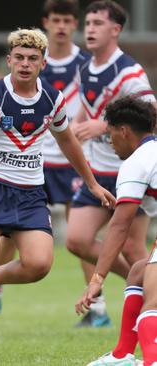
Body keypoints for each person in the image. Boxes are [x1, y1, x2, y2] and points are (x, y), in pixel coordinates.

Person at [0, 28, 115, 360]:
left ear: (42, 63)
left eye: (32, 58)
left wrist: (92, 183)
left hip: (31, 192)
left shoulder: (51, 98)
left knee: (39, 264)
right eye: (18, 58)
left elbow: (68, 142)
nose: (24, 64)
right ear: (9, 61)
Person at [0, 0, 104, 327]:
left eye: (67, 21)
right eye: (55, 20)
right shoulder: (24, 65)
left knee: (79, 233)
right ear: (46, 23)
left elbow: (95, 101)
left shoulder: (85, 63)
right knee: (7, 233)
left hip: (70, 157)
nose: (61, 26)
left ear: (73, 25)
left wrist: (86, 125)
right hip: (30, 160)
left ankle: (96, 307)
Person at [65, 0, 155, 329]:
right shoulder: (86, 68)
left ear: (115, 30)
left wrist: (101, 126)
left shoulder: (129, 72)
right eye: (87, 23)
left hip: (128, 173)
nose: (89, 28)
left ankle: (148, 296)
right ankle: (143, 285)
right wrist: (74, 127)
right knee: (76, 239)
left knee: (133, 247)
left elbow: (150, 115)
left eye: (97, 23)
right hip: (97, 173)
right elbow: (84, 111)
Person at [74, 97, 156, 366]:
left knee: (153, 303)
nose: (109, 141)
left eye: (110, 133)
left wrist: (97, 279)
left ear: (124, 131)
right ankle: (122, 355)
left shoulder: (136, 162)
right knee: (138, 272)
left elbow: (120, 225)